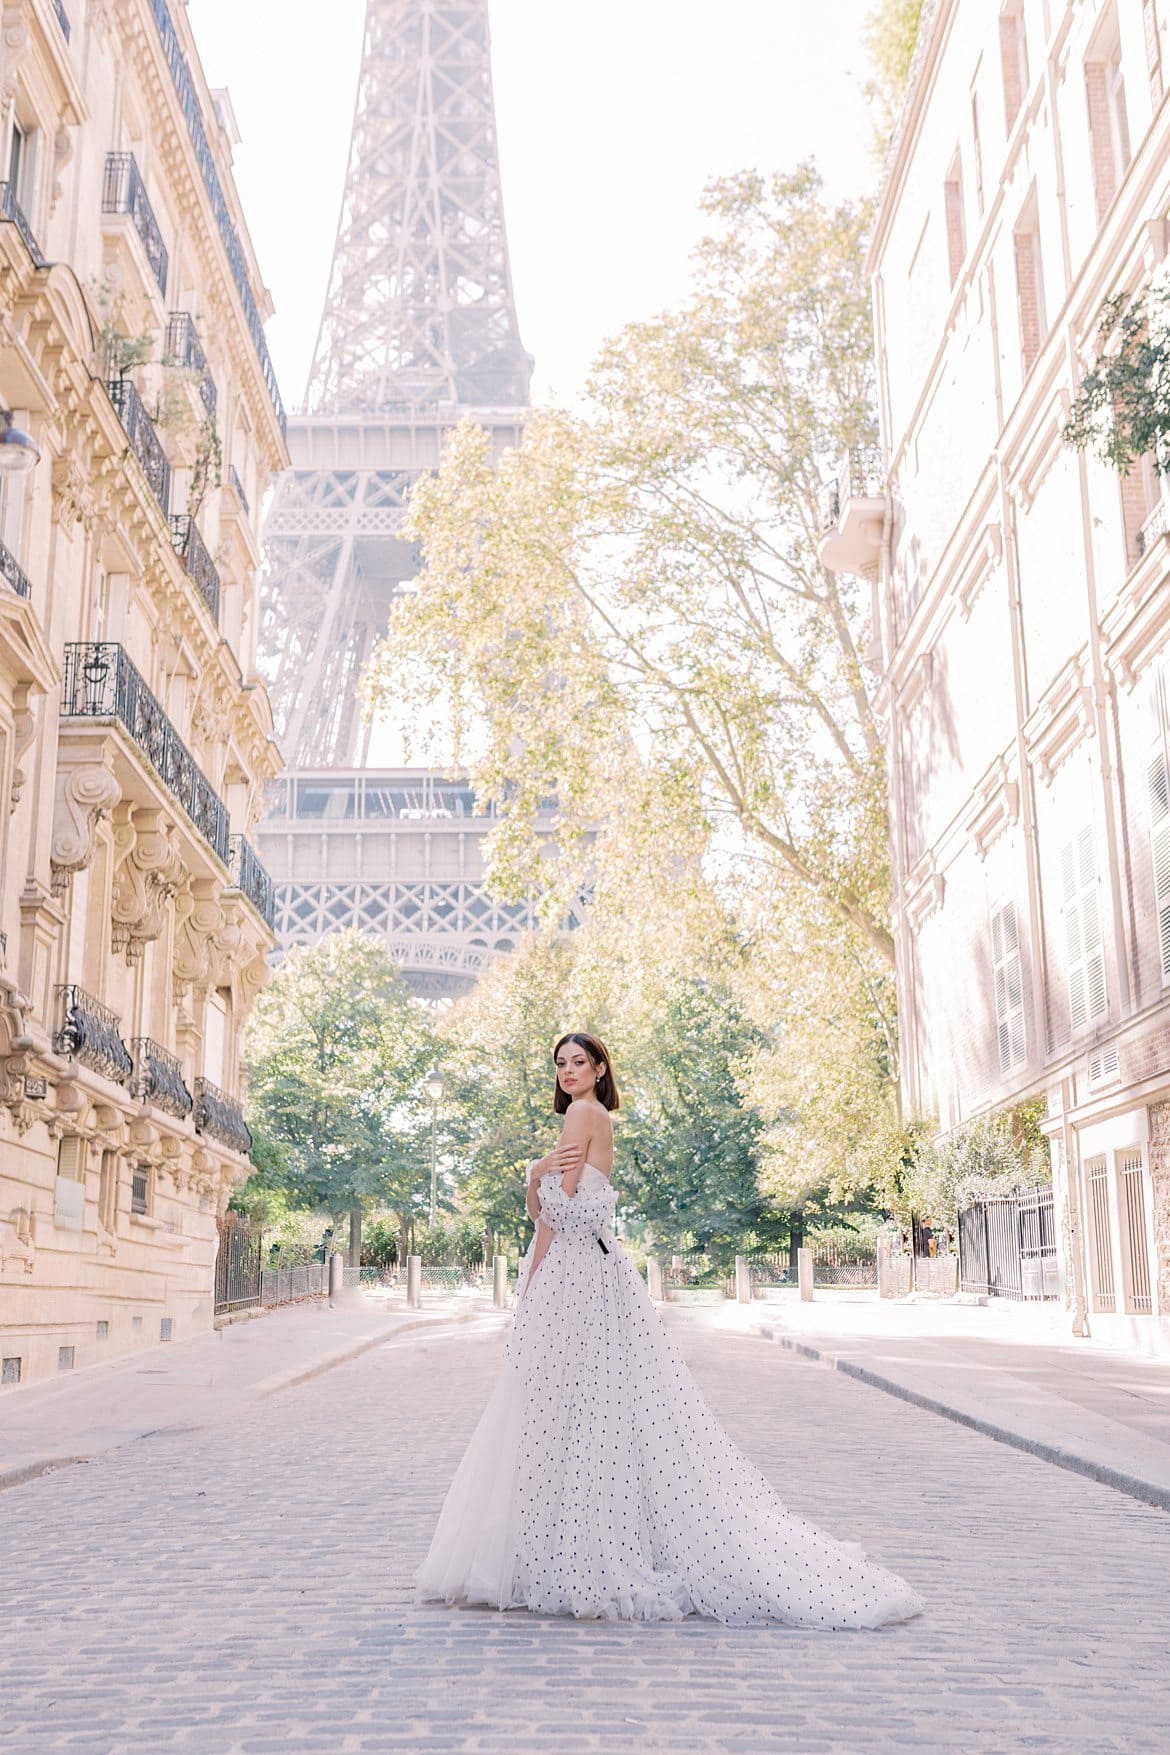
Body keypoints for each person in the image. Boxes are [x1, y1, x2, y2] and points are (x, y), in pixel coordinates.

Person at [416, 1031, 923, 1628]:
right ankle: (574, 1551)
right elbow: (556, 1207)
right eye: (560, 1064)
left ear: (601, 1068)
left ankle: (567, 1557)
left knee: (560, 1415)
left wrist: (532, 1185)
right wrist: (538, 1183)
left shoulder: (581, 1114)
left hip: (574, 1283)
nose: (568, 1072)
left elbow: (559, 1214)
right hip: (594, 1280)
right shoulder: (595, 1116)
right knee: (598, 1416)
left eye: (580, 1062)